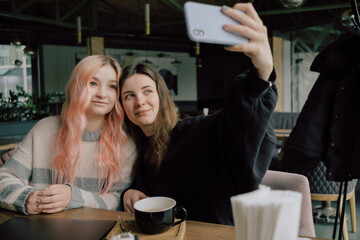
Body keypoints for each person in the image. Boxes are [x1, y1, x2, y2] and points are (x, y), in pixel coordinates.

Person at [120, 3, 277, 225]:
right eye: (129, 95)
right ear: (122, 106)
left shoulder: (192, 131)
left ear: (162, 96)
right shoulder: (140, 148)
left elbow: (235, 120)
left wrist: (262, 72)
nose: (140, 101)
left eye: (147, 91)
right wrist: (130, 192)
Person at [0, 55, 135, 215]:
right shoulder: (45, 129)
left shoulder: (126, 142)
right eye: (93, 83)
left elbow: (118, 199)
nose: (102, 94)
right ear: (76, 87)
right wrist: (27, 198)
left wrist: (74, 197)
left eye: (112, 86)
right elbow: (5, 177)